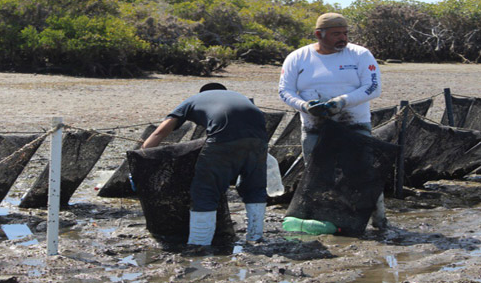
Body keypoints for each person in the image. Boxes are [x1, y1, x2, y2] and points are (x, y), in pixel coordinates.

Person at [277, 12, 387, 228]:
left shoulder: (360, 55)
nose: (343, 38)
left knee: (363, 173)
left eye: (345, 33)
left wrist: (341, 102)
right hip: (314, 128)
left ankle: (379, 220)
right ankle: (327, 219)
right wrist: (305, 106)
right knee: (318, 176)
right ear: (319, 34)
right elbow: (285, 91)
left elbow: (373, 87)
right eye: (336, 34)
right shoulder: (298, 57)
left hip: (355, 125)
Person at [141, 82, 269, 245]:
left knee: (205, 190)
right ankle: (255, 237)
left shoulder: (194, 99)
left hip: (223, 139)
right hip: (259, 140)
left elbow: (161, 131)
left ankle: (199, 244)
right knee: (255, 187)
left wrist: (142, 153)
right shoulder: (241, 97)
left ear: (202, 92)